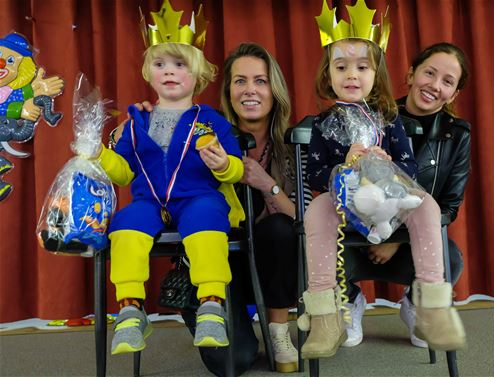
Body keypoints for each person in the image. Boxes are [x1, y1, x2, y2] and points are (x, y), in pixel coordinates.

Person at [300, 0, 466, 359]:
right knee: (316, 210)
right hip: (345, 199)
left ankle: (432, 308)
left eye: (362, 67)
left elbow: (409, 165)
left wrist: (389, 164)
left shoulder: (389, 118)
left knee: (427, 206)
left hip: (388, 195)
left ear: (377, 75)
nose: (352, 75)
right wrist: (341, 165)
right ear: (327, 74)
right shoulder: (323, 124)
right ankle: (327, 317)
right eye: (341, 67)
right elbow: (314, 172)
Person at [133, 42, 312, 375]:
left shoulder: (292, 145)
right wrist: (149, 122)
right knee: (234, 362)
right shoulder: (197, 133)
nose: (250, 90)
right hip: (213, 266)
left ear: (274, 90)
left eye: (260, 81)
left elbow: (307, 219)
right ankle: (201, 305)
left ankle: (277, 331)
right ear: (228, 90)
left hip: (270, 269)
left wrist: (265, 183)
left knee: (280, 228)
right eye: (240, 81)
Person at [95, 1, 244, 355]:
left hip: (197, 196)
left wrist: (223, 162)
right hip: (148, 202)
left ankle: (211, 302)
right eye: (160, 64)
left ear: (198, 75)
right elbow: (123, 172)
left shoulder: (211, 120)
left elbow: (236, 170)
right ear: (148, 73)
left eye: (179, 64)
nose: (170, 72)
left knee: (209, 215)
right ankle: (131, 309)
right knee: (125, 223)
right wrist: (97, 155)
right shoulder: (136, 124)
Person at [343, 42, 471, 349]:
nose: (434, 86)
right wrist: (375, 235)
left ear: (453, 95)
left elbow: (449, 206)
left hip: (410, 246)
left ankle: (415, 305)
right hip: (359, 240)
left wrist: (396, 240)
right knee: (317, 252)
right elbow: (348, 190)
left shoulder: (458, 135)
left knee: (450, 258)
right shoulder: (373, 119)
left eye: (447, 82)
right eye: (429, 73)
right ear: (411, 74)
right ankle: (350, 302)